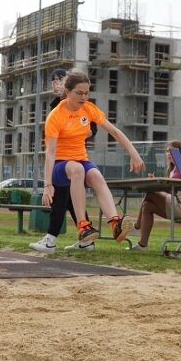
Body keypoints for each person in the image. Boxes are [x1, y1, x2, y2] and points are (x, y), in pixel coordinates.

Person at [34, 69, 144, 253]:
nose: (84, 97)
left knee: (95, 175)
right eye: (79, 93)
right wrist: (47, 184)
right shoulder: (55, 115)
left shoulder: (89, 109)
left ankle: (115, 222)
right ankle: (83, 227)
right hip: (60, 166)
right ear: (68, 93)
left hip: (80, 161)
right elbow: (50, 152)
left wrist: (134, 153)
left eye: (86, 93)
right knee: (77, 170)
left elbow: (114, 132)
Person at [29, 68, 98, 253]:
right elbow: (52, 136)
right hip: (61, 160)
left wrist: (75, 135)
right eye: (53, 81)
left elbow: (92, 128)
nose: (54, 84)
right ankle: (86, 239)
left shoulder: (81, 104)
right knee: (68, 202)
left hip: (71, 160)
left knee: (60, 200)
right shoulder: (56, 106)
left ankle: (51, 239)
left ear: (66, 83)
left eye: (58, 80)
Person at [129, 140, 181, 252]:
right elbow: (171, 191)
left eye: (172, 151)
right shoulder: (177, 168)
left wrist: (155, 183)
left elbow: (169, 188)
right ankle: (142, 245)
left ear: (180, 153)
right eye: (167, 151)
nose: (169, 153)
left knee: (151, 193)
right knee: (147, 206)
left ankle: (136, 226)